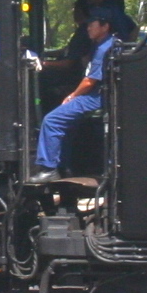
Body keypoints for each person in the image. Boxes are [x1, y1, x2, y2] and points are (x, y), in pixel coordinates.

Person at [35, 10, 117, 176]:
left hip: (97, 96)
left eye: (92, 24)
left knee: (52, 120)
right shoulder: (108, 43)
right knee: (68, 125)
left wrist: (72, 95)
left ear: (105, 26)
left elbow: (89, 81)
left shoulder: (103, 49)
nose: (88, 28)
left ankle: (48, 168)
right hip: (103, 94)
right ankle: (64, 167)